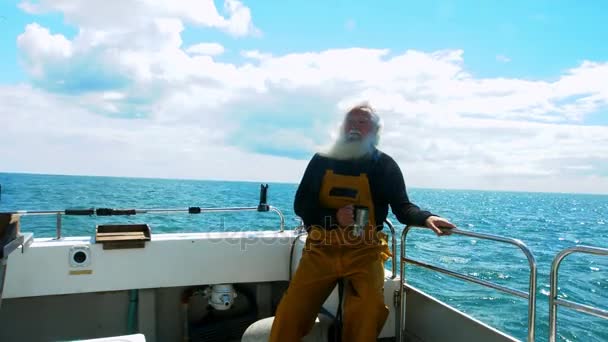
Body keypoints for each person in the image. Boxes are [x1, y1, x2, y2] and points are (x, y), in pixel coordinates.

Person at [269, 103, 456, 342]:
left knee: (367, 312)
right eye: (350, 121)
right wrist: (335, 216)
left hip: (364, 251)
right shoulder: (321, 160)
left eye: (363, 121)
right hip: (320, 250)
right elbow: (301, 205)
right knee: (291, 310)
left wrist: (426, 217)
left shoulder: (385, 165)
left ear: (375, 131)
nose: (355, 126)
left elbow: (403, 208)